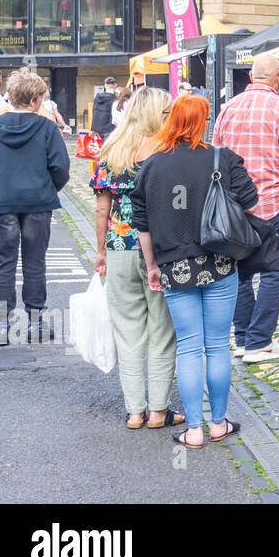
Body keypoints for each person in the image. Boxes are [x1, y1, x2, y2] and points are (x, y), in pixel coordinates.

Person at [134, 94, 256, 450]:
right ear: (203, 122)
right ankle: (219, 423)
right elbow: (252, 203)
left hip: (174, 265)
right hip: (218, 261)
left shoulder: (151, 165)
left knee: (189, 347)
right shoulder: (222, 158)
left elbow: (141, 224)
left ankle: (194, 429)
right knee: (217, 345)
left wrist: (153, 265)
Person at [92, 87, 185, 431]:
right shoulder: (167, 152)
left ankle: (134, 412)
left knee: (128, 332)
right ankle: (159, 410)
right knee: (162, 331)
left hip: (119, 247)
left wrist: (101, 251)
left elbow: (102, 209)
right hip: (160, 249)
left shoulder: (112, 151)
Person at [213, 54, 279, 364]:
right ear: (278, 80)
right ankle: (258, 341)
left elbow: (216, 156)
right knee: (275, 271)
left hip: (235, 206)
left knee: (239, 272)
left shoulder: (227, 109)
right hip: (274, 201)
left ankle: (243, 337)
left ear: (251, 78)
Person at [0, 70, 71, 342]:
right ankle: (35, 321)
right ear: (34, 100)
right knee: (35, 261)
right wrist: (46, 187)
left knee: (4, 263)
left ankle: (1, 326)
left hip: (3, 202)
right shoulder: (46, 128)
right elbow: (61, 168)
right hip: (37, 203)